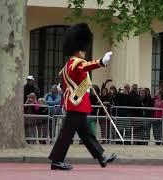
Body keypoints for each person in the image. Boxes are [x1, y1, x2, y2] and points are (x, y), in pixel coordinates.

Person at [48, 23, 116, 171]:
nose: (85, 53)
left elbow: (67, 84)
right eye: (83, 50)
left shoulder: (68, 65)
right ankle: (56, 161)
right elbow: (85, 67)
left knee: (86, 134)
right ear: (79, 49)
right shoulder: (77, 62)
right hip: (76, 104)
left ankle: (101, 157)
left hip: (76, 103)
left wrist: (84, 84)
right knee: (67, 134)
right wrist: (101, 62)